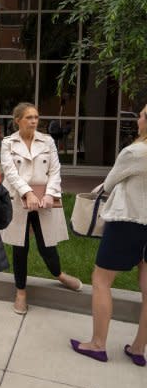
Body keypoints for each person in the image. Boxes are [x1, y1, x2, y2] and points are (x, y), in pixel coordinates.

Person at [71, 104, 147, 366]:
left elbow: (112, 181)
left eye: (142, 114)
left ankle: (97, 344)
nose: (138, 118)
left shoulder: (135, 152)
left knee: (101, 279)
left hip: (129, 221)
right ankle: (138, 349)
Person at [1, 103, 81, 315]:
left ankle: (59, 274)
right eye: (29, 117)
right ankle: (20, 292)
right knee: (20, 246)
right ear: (17, 120)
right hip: (19, 200)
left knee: (48, 243)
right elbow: (10, 173)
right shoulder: (8, 143)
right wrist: (27, 193)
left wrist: (48, 194)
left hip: (45, 200)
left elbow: (55, 170)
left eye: (36, 117)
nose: (34, 121)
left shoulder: (48, 141)